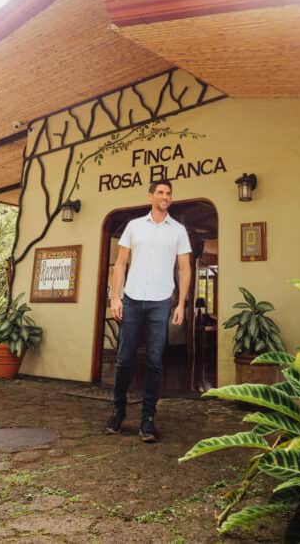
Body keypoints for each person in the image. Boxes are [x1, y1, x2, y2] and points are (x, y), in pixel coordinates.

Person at [105, 179, 191, 442]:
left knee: (155, 361)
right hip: (131, 299)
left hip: (160, 302)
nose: (165, 197)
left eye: (168, 194)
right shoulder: (134, 227)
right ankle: (118, 412)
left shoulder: (178, 230)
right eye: (161, 192)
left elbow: (184, 268)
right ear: (151, 196)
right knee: (124, 359)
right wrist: (115, 297)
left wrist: (181, 303)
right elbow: (120, 264)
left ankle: (148, 419)